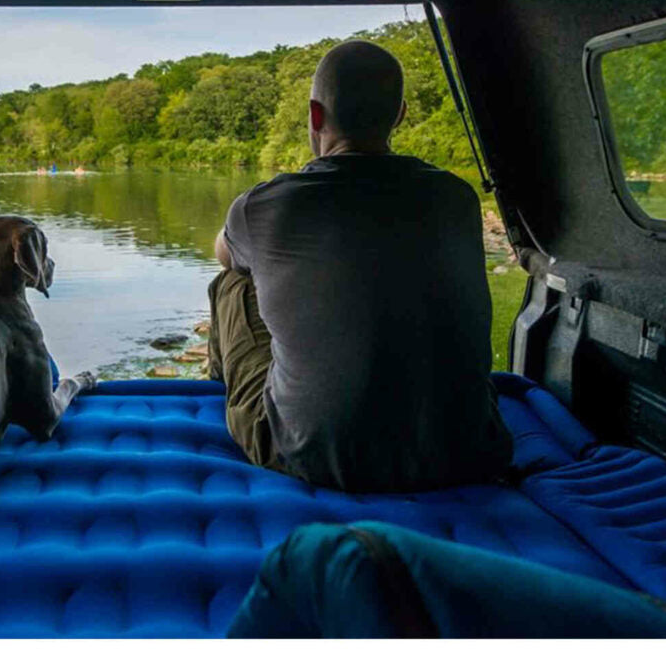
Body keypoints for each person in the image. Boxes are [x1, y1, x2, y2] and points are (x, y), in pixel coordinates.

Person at [208, 40, 512, 493]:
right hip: (464, 452)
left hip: (317, 457)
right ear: (400, 115)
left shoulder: (268, 205)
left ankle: (223, 393)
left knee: (233, 281)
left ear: (315, 115)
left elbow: (223, 254)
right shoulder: (457, 197)